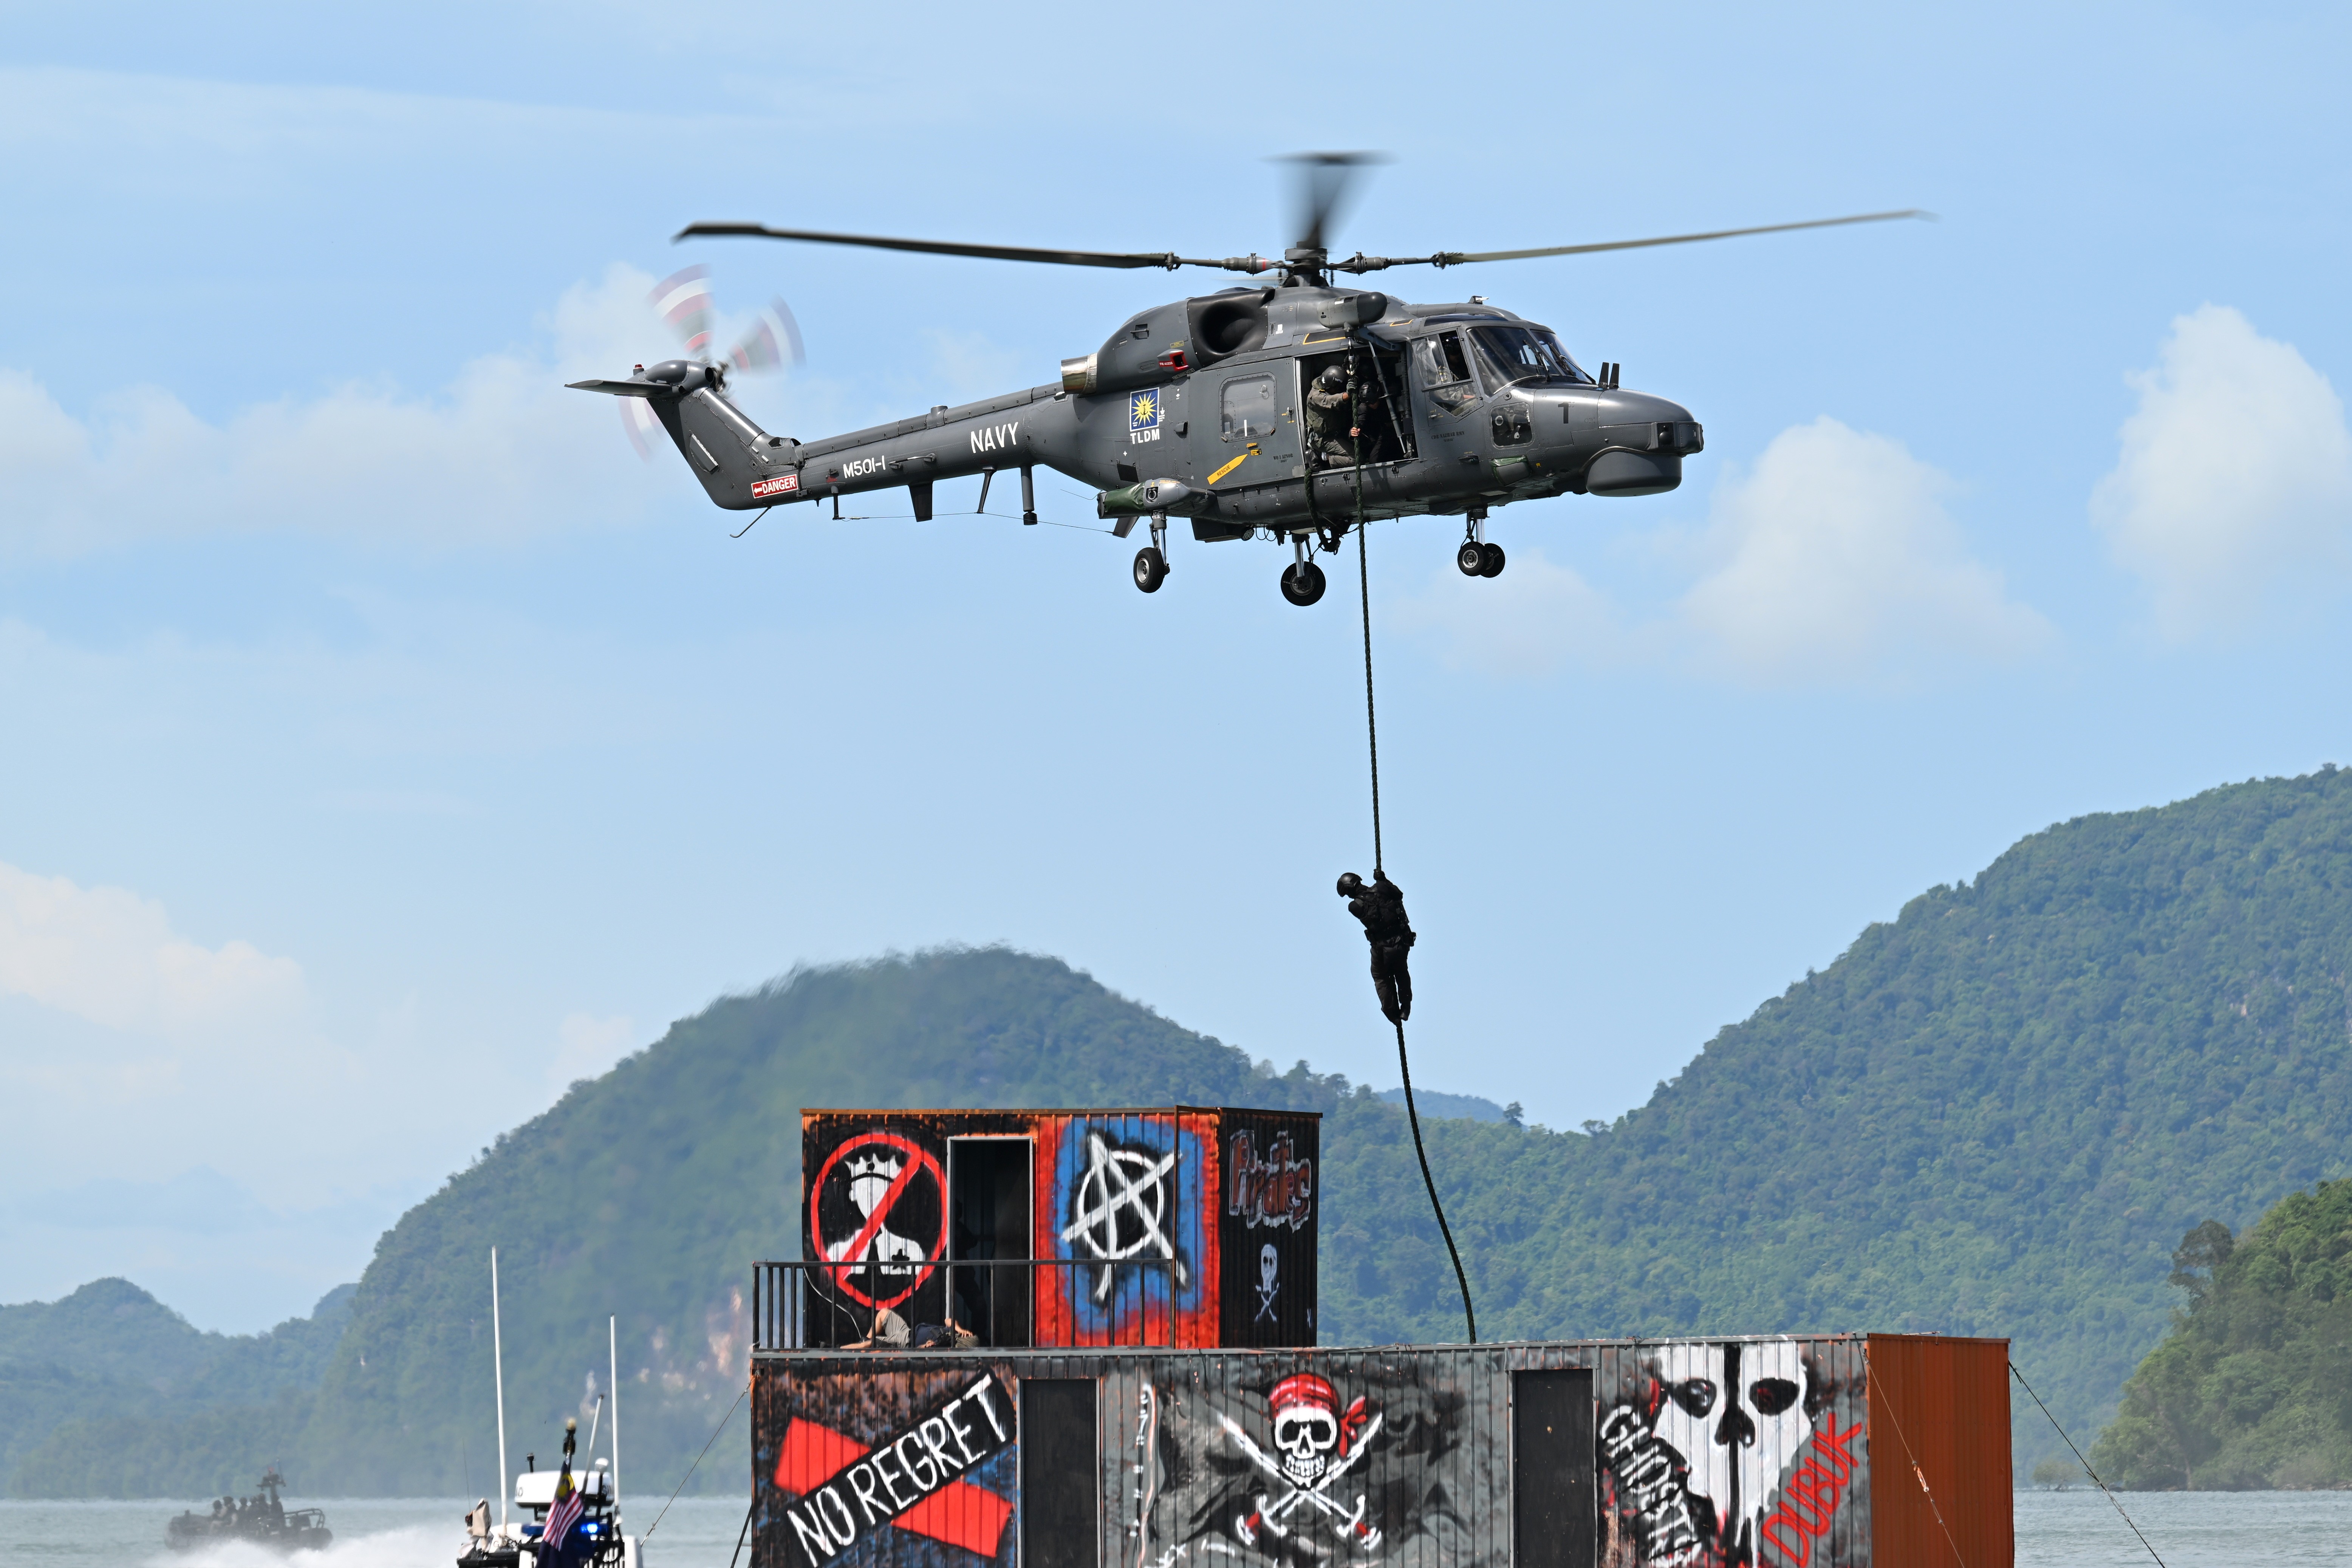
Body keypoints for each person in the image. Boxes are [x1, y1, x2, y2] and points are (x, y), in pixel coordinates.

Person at [1337, 870, 1415, 1024]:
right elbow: (1398, 894)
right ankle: (1406, 1007)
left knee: (1381, 978)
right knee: (1401, 972)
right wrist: (1384, 881)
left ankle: (1391, 1012)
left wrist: (1383, 883)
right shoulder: (1381, 888)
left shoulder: (1355, 906)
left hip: (1382, 948)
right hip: (1401, 944)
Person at [1304, 364, 1355, 467]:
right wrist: (1347, 395)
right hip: (1322, 439)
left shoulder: (1326, 384)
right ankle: (1323, 456)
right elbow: (1330, 400)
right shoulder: (1315, 397)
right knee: (1355, 458)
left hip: (1335, 431)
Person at [843, 1304, 910, 1350]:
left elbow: (921, 1347)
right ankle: (865, 1340)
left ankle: (838, 1352)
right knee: (884, 1313)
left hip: (907, 1341)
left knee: (868, 1344)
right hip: (908, 1332)